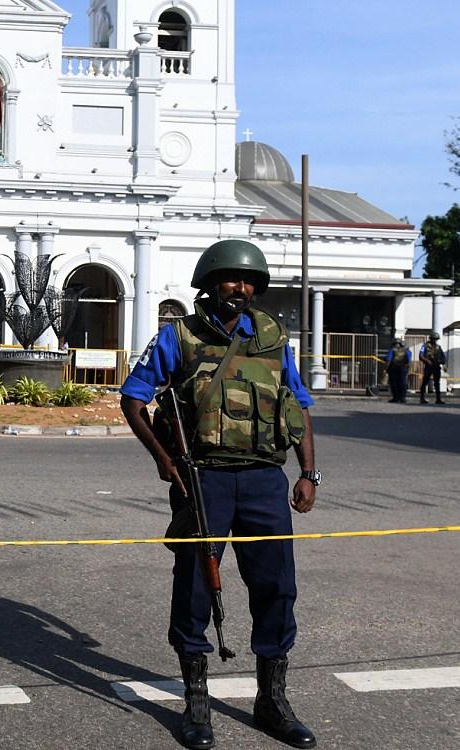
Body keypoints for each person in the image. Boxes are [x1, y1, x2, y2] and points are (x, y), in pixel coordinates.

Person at [120, 240, 319, 750]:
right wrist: (163, 459)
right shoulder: (180, 337)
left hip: (263, 481)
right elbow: (134, 397)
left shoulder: (273, 338)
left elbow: (297, 405)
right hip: (203, 478)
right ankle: (196, 701)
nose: (243, 287)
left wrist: (308, 473)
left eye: (250, 281)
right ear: (209, 281)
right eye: (232, 278)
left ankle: (271, 700)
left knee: (276, 587)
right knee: (195, 588)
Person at [419, 332, 447, 404]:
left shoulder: (438, 347)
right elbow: (421, 356)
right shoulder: (424, 346)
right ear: (431, 339)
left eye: (436, 339)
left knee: (437, 383)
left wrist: (442, 362)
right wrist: (427, 361)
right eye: (434, 339)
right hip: (428, 367)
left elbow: (443, 357)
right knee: (425, 382)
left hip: (436, 367)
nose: (435, 341)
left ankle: (438, 399)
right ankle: (422, 398)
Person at [385, 338, 411, 403]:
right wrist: (409, 369)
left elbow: (388, 360)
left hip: (393, 368)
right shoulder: (406, 350)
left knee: (394, 384)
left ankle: (396, 398)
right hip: (403, 369)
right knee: (403, 383)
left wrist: (386, 368)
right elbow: (409, 360)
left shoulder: (392, 350)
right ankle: (403, 398)